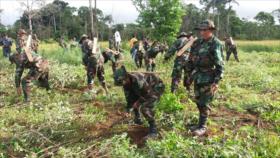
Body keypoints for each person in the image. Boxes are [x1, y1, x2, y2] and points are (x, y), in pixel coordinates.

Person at [186, 20, 224, 136]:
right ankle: (199, 124)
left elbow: (220, 64)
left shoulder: (215, 43)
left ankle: (202, 126)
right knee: (198, 100)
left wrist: (216, 81)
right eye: (200, 30)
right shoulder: (198, 42)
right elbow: (191, 59)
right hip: (197, 76)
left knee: (204, 102)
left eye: (204, 30)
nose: (202, 32)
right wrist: (188, 75)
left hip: (208, 77)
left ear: (210, 30)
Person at [114, 66, 165, 138]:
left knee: (145, 107)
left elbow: (147, 94)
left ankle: (154, 130)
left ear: (127, 77)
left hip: (155, 87)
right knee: (134, 101)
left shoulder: (138, 79)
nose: (123, 84)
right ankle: (138, 119)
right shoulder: (126, 84)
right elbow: (130, 99)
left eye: (123, 82)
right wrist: (128, 110)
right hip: (144, 90)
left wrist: (138, 103)